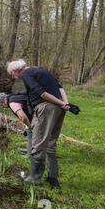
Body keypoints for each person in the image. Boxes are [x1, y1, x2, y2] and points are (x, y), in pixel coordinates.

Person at [7, 59, 69, 188]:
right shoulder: (41, 70)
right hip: (58, 109)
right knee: (51, 143)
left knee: (37, 143)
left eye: (11, 74)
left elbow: (42, 93)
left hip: (45, 109)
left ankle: (35, 178)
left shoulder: (26, 74)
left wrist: (62, 103)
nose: (13, 77)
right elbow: (60, 88)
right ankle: (53, 179)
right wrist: (64, 103)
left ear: (15, 71)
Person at [0, 92, 32, 156]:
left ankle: (31, 153)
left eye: (1, 105)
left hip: (39, 115)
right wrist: (27, 126)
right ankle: (29, 150)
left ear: (3, 102)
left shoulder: (12, 103)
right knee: (27, 132)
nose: (3, 107)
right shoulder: (13, 97)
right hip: (36, 113)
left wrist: (29, 126)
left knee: (29, 132)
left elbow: (23, 117)